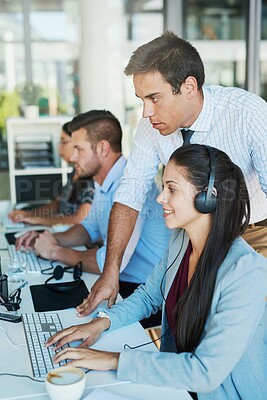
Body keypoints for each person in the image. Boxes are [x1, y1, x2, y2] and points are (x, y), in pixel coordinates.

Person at [45, 144, 267, 400]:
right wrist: (101, 322)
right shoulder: (180, 240)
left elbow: (205, 373)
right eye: (163, 187)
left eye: (171, 189)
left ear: (209, 197)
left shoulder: (247, 271)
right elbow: (150, 296)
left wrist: (110, 360)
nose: (161, 197)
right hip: (174, 383)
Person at [79, 30, 267, 316]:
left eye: (154, 98)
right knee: (188, 322)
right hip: (192, 235)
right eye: (141, 99)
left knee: (245, 326)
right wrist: (110, 272)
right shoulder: (150, 128)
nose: (145, 112)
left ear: (189, 87)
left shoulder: (248, 113)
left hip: (253, 235)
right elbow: (130, 194)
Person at [16, 109, 171, 328]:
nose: (73, 157)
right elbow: (88, 229)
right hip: (126, 282)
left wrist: (55, 252)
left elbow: (106, 264)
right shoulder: (103, 181)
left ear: (102, 148)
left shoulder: (132, 185)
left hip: (146, 294)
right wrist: (51, 238)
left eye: (78, 149)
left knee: (59, 323)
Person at [8, 122, 94, 227]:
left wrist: (37, 219)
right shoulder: (74, 173)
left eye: (64, 142)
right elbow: (57, 204)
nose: (59, 148)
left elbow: (79, 219)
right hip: (63, 232)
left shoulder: (92, 177)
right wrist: (29, 215)